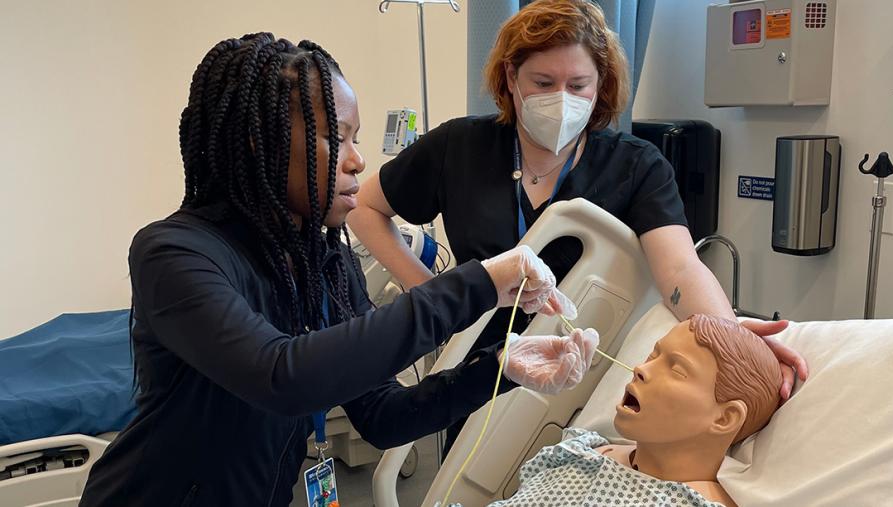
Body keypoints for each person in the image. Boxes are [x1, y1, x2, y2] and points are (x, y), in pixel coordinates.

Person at [78, 34, 599, 507]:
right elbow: (283, 376)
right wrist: (478, 283)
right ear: (264, 143)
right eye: (339, 137)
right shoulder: (173, 253)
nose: (357, 161)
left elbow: (384, 417)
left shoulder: (325, 265)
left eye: (357, 139)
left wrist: (499, 368)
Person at [348, 0, 807, 454]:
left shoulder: (636, 166)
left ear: (601, 84)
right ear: (511, 78)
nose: (561, 99)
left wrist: (730, 338)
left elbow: (682, 271)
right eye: (543, 82)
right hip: (480, 373)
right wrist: (434, 298)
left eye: (578, 84)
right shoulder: (459, 146)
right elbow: (363, 209)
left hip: (588, 373)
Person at [488, 315, 782, 507]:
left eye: (676, 369)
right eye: (653, 355)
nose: (641, 369)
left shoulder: (694, 503)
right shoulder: (583, 447)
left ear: (724, 418)